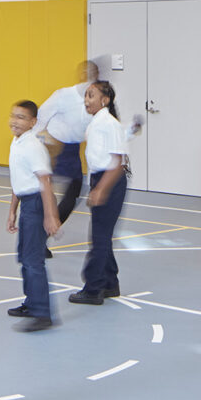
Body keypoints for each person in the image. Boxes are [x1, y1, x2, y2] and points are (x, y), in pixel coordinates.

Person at [69, 79, 129, 306]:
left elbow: (117, 163)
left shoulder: (109, 124)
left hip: (109, 180)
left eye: (91, 95)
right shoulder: (96, 123)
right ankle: (110, 283)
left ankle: (93, 288)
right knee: (102, 235)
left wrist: (101, 189)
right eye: (85, 96)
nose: (86, 100)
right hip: (99, 179)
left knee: (99, 238)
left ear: (105, 100)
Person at [5, 100, 61, 331]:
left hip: (37, 204)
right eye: (13, 115)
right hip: (26, 202)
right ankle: (31, 302)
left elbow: (45, 182)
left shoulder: (33, 147)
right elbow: (18, 180)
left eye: (21, 117)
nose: (14, 121)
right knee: (24, 256)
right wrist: (12, 210)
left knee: (32, 259)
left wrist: (50, 216)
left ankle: (42, 313)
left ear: (33, 122)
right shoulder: (17, 142)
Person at [36, 60, 99, 228]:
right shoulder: (63, 95)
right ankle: (40, 230)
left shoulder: (95, 101)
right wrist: (33, 141)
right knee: (45, 193)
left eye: (93, 74)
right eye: (86, 73)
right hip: (55, 146)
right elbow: (41, 116)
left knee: (74, 192)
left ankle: (48, 230)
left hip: (73, 149)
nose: (89, 77)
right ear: (80, 75)